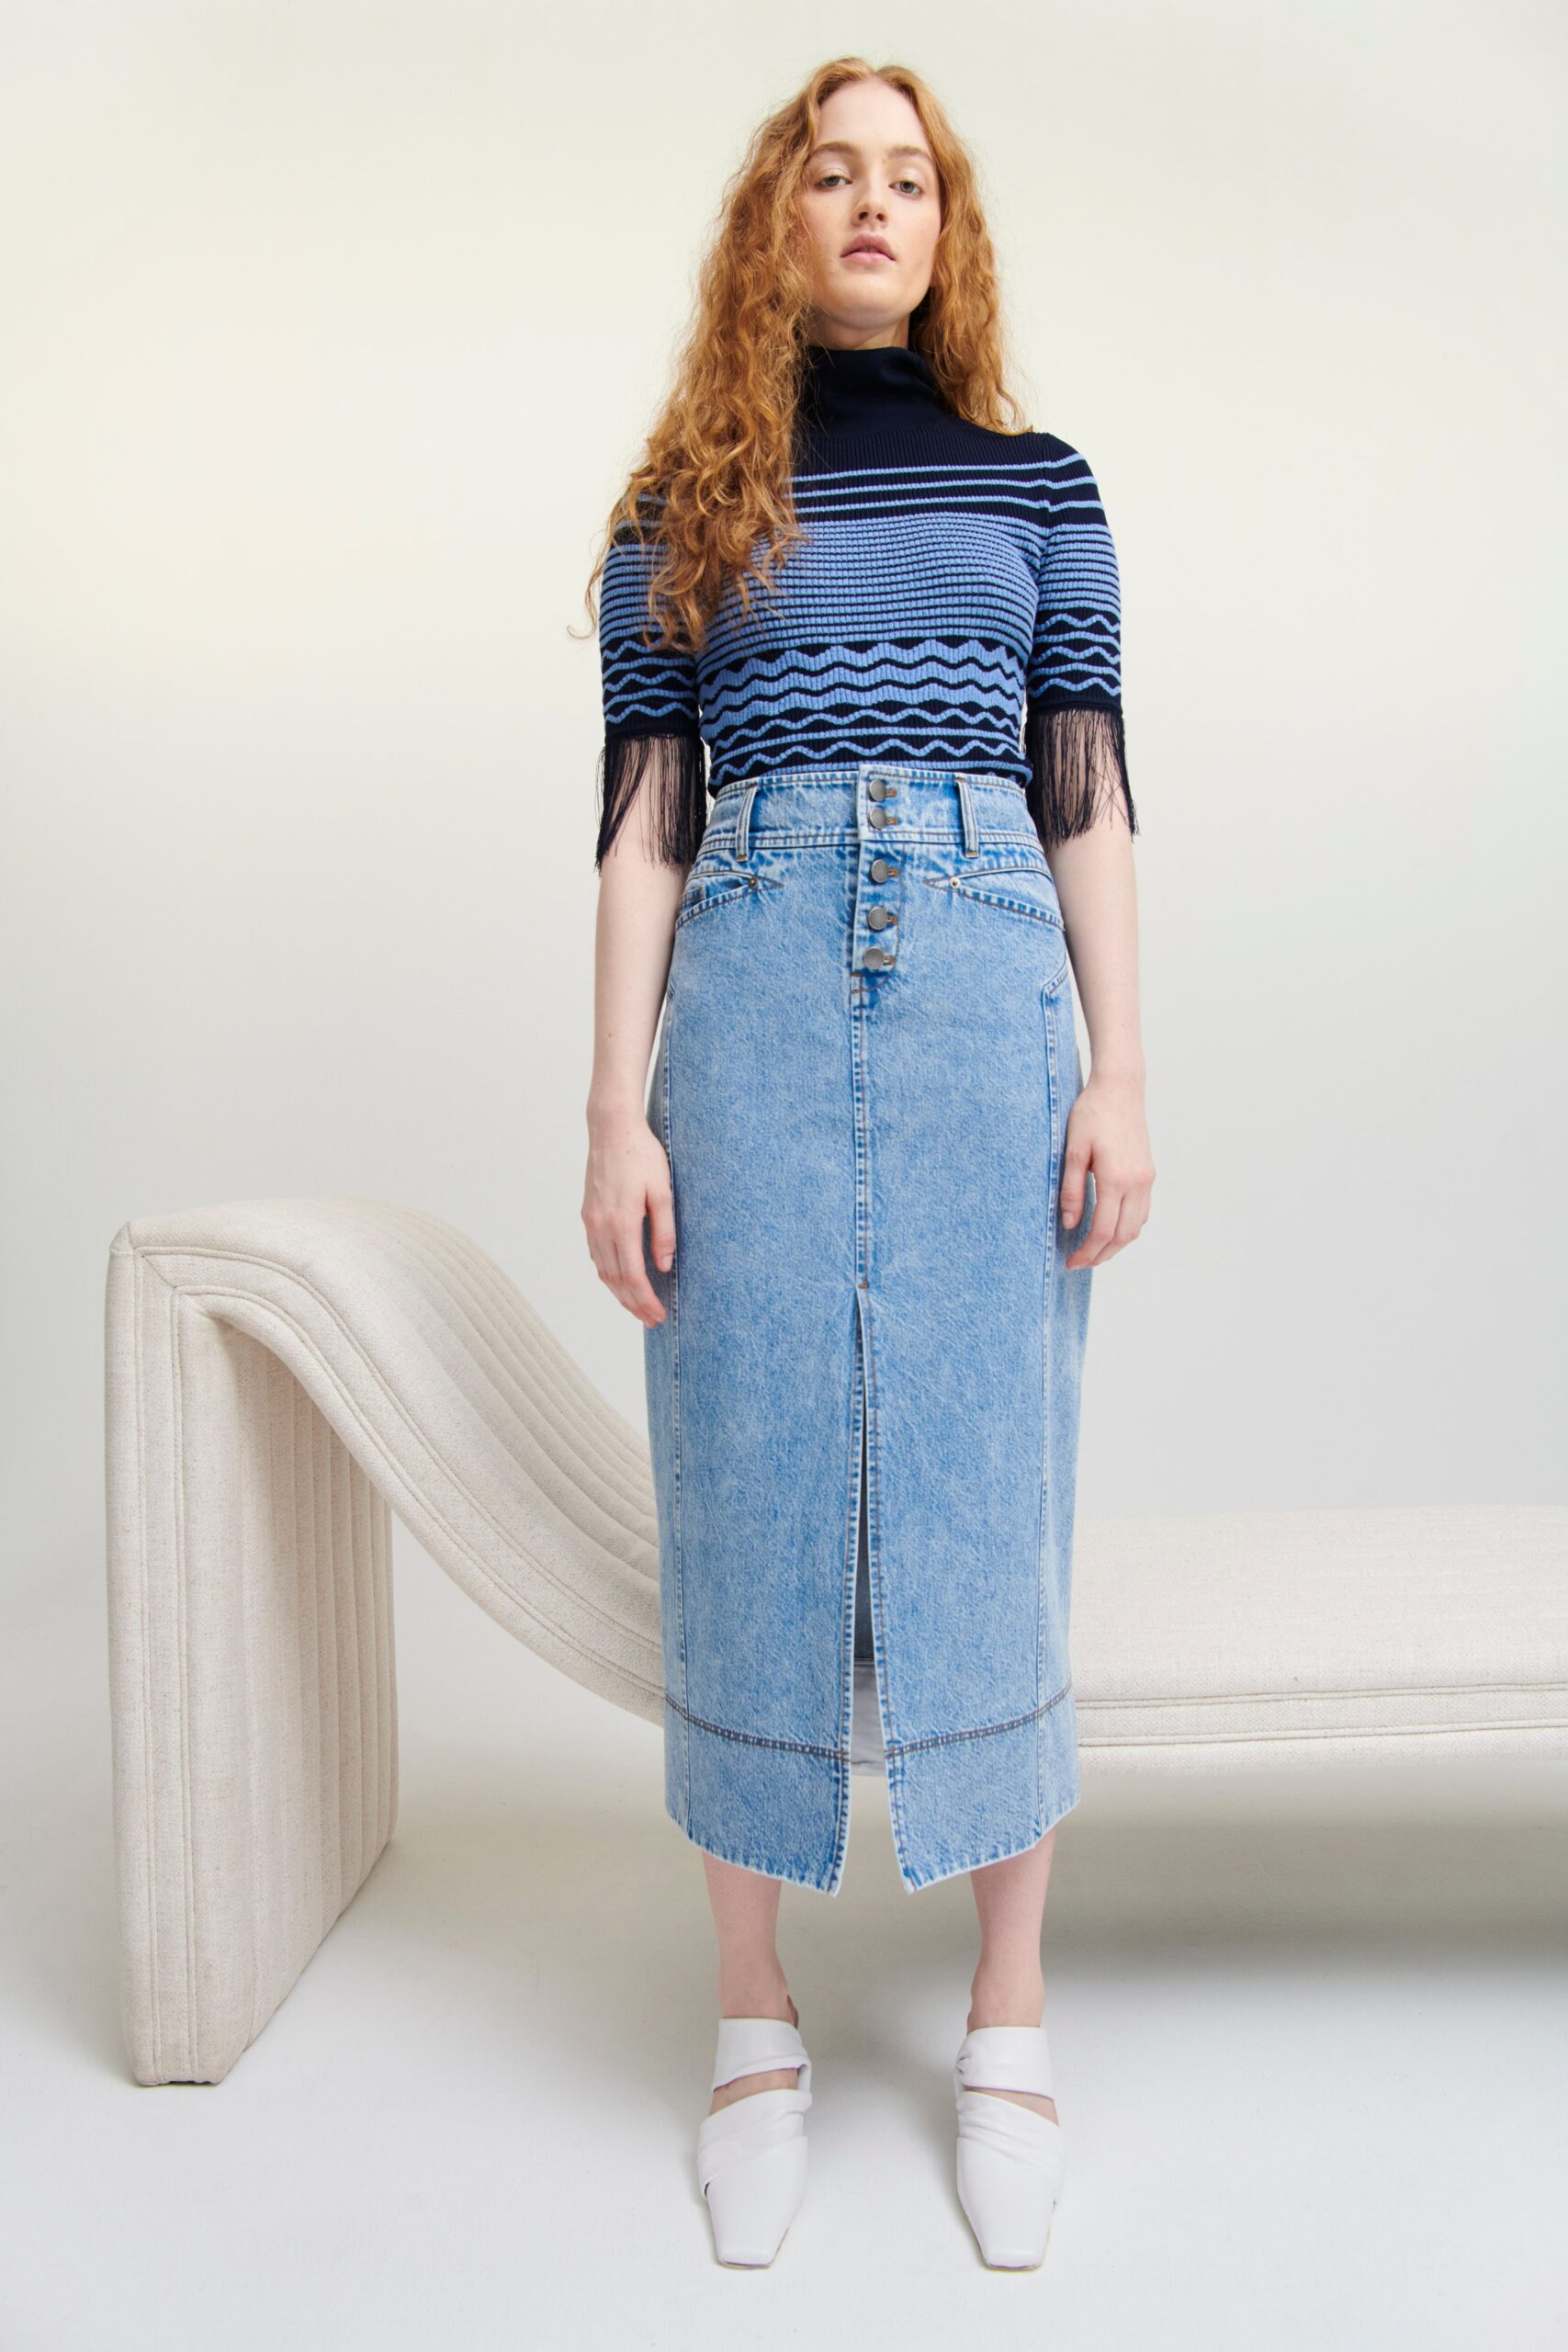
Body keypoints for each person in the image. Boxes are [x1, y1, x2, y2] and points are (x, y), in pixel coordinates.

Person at [580, 56, 1154, 2272]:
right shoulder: (677, 501)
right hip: (738, 985)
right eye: (833, 169)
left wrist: (1122, 1071)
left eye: (910, 173)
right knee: (736, 1469)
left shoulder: (1038, 485)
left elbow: (1084, 786)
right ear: (775, 218)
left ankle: (1007, 2016)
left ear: (948, 223)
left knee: (992, 1468)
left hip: (984, 984)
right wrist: (610, 1103)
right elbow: (643, 822)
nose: (874, 201)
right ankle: (750, 2020)